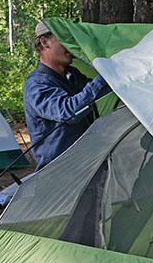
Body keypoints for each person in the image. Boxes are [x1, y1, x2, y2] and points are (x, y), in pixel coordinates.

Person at [22, 20, 110, 169]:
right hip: (60, 174)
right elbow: (69, 111)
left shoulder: (72, 75)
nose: (71, 45)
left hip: (87, 166)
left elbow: (99, 91)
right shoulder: (36, 85)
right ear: (44, 42)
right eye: (64, 39)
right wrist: (106, 74)